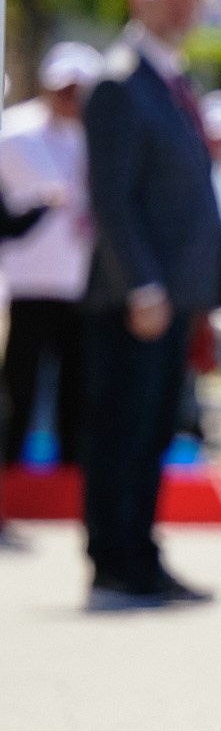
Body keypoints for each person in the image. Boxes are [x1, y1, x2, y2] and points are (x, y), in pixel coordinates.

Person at [82, 0, 221, 610]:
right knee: (125, 427)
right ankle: (115, 558)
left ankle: (140, 551)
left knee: (155, 429)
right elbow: (111, 197)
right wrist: (143, 285)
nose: (182, 10)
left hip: (174, 294)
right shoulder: (119, 80)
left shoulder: (172, 81)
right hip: (140, 298)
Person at [0, 42, 104, 475]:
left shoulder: (101, 138)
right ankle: (9, 476)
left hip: (81, 282)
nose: (70, 100)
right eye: (64, 90)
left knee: (75, 387)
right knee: (18, 386)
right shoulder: (14, 133)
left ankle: (69, 476)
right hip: (27, 281)